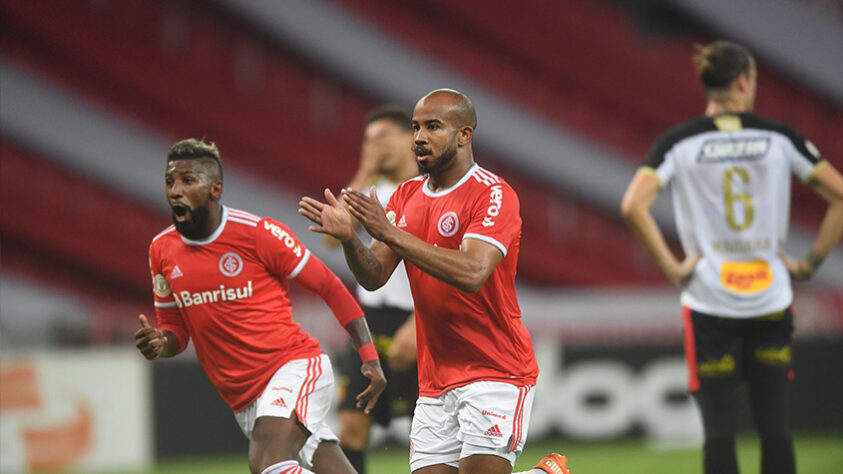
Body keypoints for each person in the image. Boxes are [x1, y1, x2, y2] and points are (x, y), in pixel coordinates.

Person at [300, 89, 570, 474]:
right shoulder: (406, 196)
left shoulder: (493, 194)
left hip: (494, 368)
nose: (419, 137)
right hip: (435, 377)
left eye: (433, 126)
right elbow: (374, 275)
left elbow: (473, 273)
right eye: (415, 127)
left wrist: (391, 233)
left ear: (464, 135)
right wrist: (349, 240)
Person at [620, 41, 843, 474]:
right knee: (775, 429)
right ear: (743, 81)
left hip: (709, 302)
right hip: (770, 298)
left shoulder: (678, 142)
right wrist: (809, 263)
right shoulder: (779, 137)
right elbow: (839, 196)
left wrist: (672, 268)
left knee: (719, 434)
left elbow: (633, 205)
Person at [134, 138, 387, 474]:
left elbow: (330, 286)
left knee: (267, 463)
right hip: (244, 398)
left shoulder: (257, 233)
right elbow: (176, 330)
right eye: (170, 182)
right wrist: (160, 343)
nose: (175, 191)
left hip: (294, 368)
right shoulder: (161, 250)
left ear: (215, 189)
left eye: (188, 181)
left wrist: (368, 356)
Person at [325, 105, 420, 474]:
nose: (375, 147)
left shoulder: (429, 190)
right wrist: (365, 169)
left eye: (382, 137)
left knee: (428, 429)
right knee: (351, 425)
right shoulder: (372, 191)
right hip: (369, 320)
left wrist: (419, 323)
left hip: (419, 317)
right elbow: (336, 238)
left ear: (410, 138)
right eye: (368, 141)